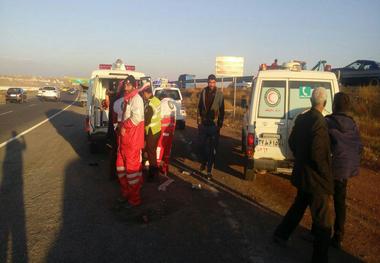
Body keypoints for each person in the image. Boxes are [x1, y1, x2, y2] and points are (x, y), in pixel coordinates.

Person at [273, 87, 334, 263]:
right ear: (324, 103)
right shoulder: (320, 122)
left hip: (303, 174)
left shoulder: (302, 119)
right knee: (323, 223)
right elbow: (318, 154)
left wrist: (301, 157)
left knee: (298, 207)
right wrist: (326, 175)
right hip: (316, 179)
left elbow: (292, 142)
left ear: (311, 102)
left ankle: (281, 234)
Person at [325, 92, 363, 249]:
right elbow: (359, 147)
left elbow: (322, 146)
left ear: (334, 105)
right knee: (340, 203)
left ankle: (320, 232)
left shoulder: (327, 122)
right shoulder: (353, 124)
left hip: (330, 167)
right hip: (345, 170)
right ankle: (338, 237)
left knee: (323, 201)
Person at [113, 75, 145, 208]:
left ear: (134, 86)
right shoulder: (127, 99)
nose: (126, 86)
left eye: (129, 84)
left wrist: (123, 126)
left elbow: (136, 118)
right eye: (125, 84)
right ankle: (126, 193)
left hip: (132, 142)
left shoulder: (136, 99)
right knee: (120, 168)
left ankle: (134, 200)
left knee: (132, 173)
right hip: (123, 142)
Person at [197, 74, 225, 180]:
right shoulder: (203, 92)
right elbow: (199, 107)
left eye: (213, 82)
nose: (211, 84)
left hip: (214, 125)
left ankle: (209, 170)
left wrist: (220, 125)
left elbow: (222, 110)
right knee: (202, 146)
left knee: (213, 149)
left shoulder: (220, 94)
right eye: (209, 82)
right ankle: (203, 162)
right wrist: (198, 122)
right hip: (204, 124)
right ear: (207, 82)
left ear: (215, 83)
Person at [141, 86, 162, 181]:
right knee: (149, 150)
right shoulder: (156, 100)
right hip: (157, 129)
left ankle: (153, 173)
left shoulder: (150, 104)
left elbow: (147, 121)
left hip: (151, 131)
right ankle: (149, 168)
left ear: (147, 93)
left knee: (151, 152)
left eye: (143, 94)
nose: (143, 96)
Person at [157, 97, 177, 175]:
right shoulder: (173, 105)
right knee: (168, 149)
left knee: (159, 148)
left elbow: (159, 118)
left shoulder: (161, 104)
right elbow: (174, 119)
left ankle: (157, 166)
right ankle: (165, 168)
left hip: (163, 129)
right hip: (171, 130)